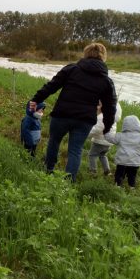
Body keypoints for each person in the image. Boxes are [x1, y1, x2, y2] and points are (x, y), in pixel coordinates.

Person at [29, 43, 117, 182]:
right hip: (85, 120)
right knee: (75, 149)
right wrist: (107, 127)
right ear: (104, 57)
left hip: (62, 114)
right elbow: (110, 107)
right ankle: (68, 182)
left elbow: (52, 86)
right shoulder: (106, 81)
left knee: (54, 141)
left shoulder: (71, 69)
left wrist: (36, 99)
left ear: (85, 53)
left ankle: (48, 170)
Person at [105, 115, 140, 188]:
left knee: (119, 174)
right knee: (132, 175)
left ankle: (117, 186)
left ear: (125, 125)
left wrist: (106, 132)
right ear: (139, 125)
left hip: (122, 160)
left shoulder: (120, 135)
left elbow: (110, 138)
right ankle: (131, 187)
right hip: (135, 161)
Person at [88, 101, 123, 175]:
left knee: (92, 155)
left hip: (99, 141)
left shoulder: (103, 116)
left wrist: (87, 133)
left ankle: (93, 171)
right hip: (108, 142)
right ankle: (107, 171)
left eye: (100, 104)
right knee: (103, 155)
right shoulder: (113, 119)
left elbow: (97, 129)